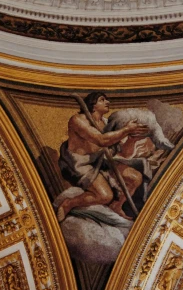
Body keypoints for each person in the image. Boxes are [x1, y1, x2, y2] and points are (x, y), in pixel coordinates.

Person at [57, 92, 148, 222]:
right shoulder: (78, 120)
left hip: (100, 162)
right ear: (92, 104)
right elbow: (101, 140)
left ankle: (116, 206)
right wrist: (126, 130)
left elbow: (124, 153)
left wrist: (132, 139)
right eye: (102, 99)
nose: (107, 102)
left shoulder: (106, 123)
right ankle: (68, 203)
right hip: (79, 164)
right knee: (104, 196)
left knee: (135, 178)